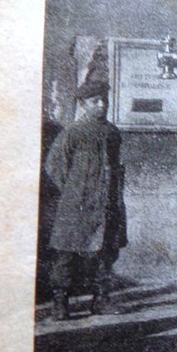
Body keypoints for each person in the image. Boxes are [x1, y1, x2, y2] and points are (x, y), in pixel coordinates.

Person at [44, 79, 128, 320]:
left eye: (104, 100)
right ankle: (60, 303)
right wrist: (74, 190)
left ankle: (101, 300)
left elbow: (114, 166)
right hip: (76, 203)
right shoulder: (73, 132)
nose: (102, 105)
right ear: (82, 104)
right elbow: (54, 166)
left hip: (107, 202)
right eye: (95, 101)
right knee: (67, 253)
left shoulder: (112, 132)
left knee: (106, 253)